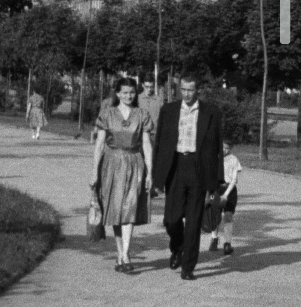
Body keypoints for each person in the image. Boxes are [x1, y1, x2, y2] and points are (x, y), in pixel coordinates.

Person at [150, 72, 224, 281]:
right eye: (183, 89)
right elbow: (160, 144)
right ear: (179, 89)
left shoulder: (212, 112)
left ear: (197, 90)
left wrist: (217, 180)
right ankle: (178, 248)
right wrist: (157, 176)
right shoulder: (169, 110)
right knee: (171, 220)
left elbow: (218, 147)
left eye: (190, 90)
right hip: (175, 166)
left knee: (193, 221)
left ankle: (188, 267)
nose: (187, 94)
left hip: (199, 169)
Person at [91, 77, 155, 272]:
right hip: (111, 164)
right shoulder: (107, 114)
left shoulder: (142, 114)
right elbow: (100, 144)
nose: (129, 96)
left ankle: (125, 254)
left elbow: (146, 144)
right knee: (115, 209)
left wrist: (150, 172)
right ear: (117, 93)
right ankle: (120, 254)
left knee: (130, 207)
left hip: (135, 163)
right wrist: (94, 171)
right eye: (125, 92)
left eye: (132, 92)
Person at [209, 142, 243, 256]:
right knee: (214, 215)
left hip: (229, 190)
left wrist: (226, 194)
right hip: (216, 189)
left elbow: (234, 179)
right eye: (222, 147)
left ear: (231, 148)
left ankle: (227, 243)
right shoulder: (215, 158)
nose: (224, 150)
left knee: (228, 216)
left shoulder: (234, 160)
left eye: (227, 148)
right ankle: (214, 238)